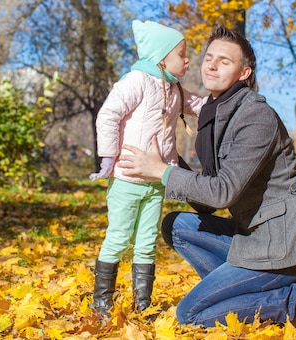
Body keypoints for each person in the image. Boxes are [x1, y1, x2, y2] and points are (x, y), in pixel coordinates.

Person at [117, 25, 296, 329]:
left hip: (285, 247)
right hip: (254, 237)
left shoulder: (254, 115)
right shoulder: (216, 114)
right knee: (176, 225)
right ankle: (237, 293)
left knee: (189, 315)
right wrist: (168, 157)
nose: (212, 65)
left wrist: (161, 171)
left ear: (244, 73)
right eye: (209, 57)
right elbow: (207, 206)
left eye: (225, 61)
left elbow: (222, 193)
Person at [88, 20, 207, 317]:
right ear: (161, 56)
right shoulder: (136, 81)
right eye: (182, 54)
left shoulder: (174, 88)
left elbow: (201, 105)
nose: (187, 60)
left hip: (155, 181)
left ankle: (142, 303)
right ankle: (102, 301)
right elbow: (108, 115)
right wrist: (108, 156)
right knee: (118, 238)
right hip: (128, 178)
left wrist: (233, 101)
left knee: (146, 243)